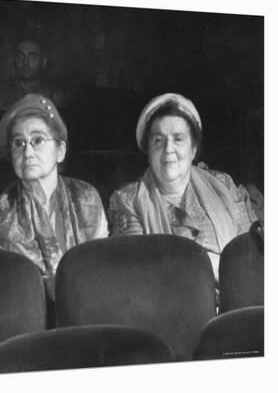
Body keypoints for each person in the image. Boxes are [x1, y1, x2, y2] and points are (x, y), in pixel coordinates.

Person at [108, 93, 257, 281]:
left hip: (233, 301)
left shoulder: (223, 185)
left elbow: (248, 257)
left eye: (178, 139)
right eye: (158, 140)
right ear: (148, 152)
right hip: (168, 305)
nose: (168, 149)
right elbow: (137, 275)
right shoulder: (128, 201)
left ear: (193, 149)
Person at [0, 94, 108, 301]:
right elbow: (5, 290)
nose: (28, 152)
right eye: (18, 143)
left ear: (60, 150)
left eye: (37, 140)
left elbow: (100, 271)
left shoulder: (87, 198)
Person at [0, 37, 66, 110]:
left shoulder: (54, 96)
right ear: (15, 60)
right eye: (21, 56)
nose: (25, 62)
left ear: (43, 62)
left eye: (32, 57)